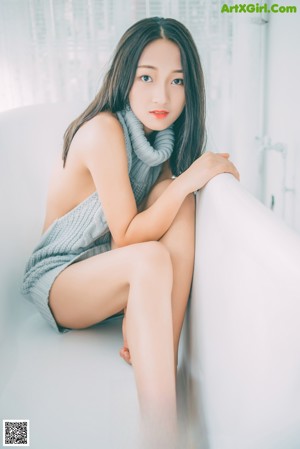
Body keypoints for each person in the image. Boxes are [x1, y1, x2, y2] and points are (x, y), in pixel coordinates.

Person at [21, 16, 239, 448]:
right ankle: (162, 435)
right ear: (125, 78)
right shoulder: (104, 130)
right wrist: (186, 180)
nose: (162, 96)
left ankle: (157, 351)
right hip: (59, 281)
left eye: (177, 81)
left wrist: (180, 186)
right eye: (147, 77)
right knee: (154, 245)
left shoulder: (161, 141)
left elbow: (164, 222)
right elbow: (127, 236)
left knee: (183, 208)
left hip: (109, 278)